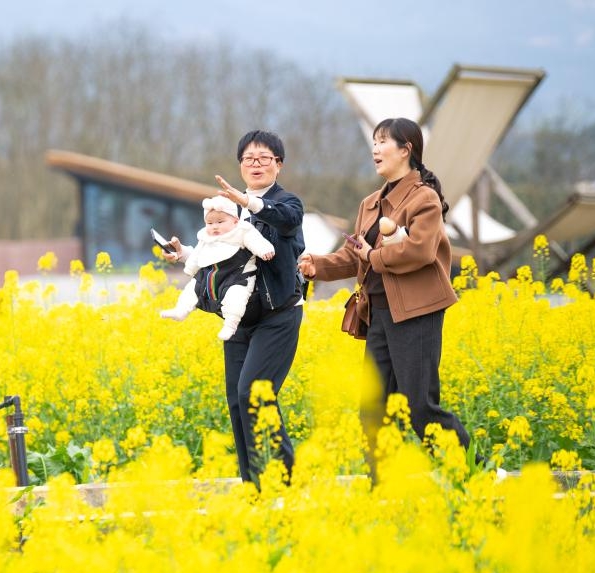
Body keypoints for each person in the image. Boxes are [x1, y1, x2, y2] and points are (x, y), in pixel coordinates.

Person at [297, 117, 475, 461]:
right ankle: (385, 484)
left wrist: (372, 256)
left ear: (406, 150)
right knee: (373, 410)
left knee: (419, 407)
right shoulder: (370, 203)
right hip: (379, 313)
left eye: (382, 142)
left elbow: (420, 251)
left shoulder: (424, 199)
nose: (375, 149)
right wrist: (317, 265)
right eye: (374, 142)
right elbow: (355, 254)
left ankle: (476, 471)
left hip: (416, 312)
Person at [161, 130, 305, 489]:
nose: (256, 164)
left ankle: (282, 481)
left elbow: (287, 223)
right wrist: (184, 254)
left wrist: (250, 202)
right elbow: (222, 256)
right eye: (248, 159)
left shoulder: (285, 203)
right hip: (240, 318)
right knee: (237, 401)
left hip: (277, 314)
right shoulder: (227, 210)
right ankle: (253, 487)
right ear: (240, 165)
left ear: (278, 165)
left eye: (264, 158)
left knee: (254, 393)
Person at [160, 195, 276, 341]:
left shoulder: (242, 231)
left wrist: (265, 250)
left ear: (235, 220)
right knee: (192, 289)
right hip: (210, 275)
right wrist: (190, 269)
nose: (214, 226)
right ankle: (181, 310)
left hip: (237, 276)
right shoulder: (205, 237)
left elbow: (255, 241)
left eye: (220, 222)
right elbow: (197, 255)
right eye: (209, 223)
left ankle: (230, 325)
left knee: (236, 298)